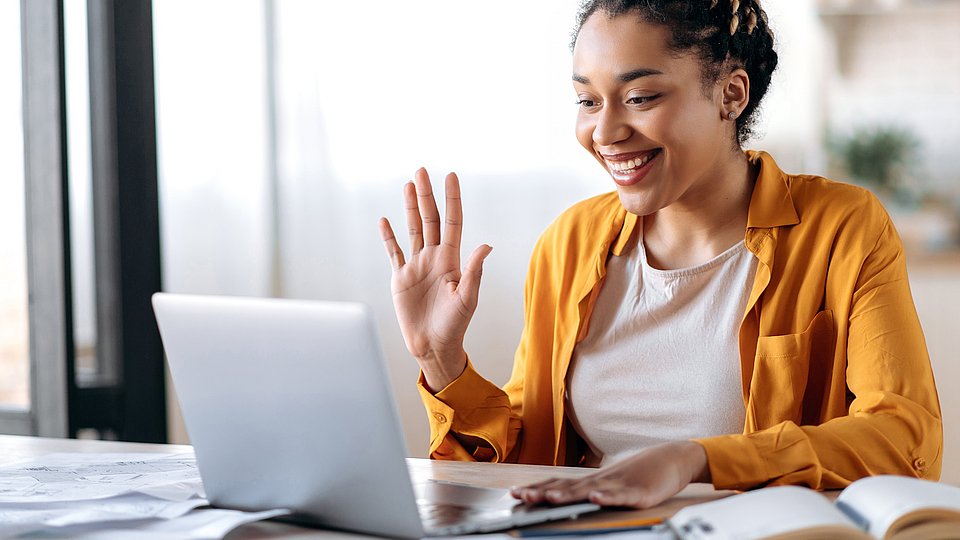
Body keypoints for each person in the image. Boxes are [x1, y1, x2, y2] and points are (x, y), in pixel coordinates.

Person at [377, 0, 942, 510]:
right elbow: (530, 455)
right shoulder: (570, 242)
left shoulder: (841, 227)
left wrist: (697, 460)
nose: (605, 130)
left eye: (640, 97)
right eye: (587, 100)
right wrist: (441, 359)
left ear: (731, 93)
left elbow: (904, 439)